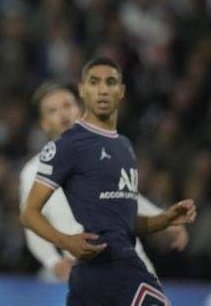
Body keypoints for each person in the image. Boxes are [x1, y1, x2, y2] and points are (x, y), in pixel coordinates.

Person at [21, 57, 196, 305]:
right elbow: (30, 219)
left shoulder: (115, 146)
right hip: (87, 268)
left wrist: (163, 218)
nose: (62, 114)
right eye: (52, 110)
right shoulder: (35, 170)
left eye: (67, 105)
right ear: (43, 123)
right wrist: (54, 260)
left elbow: (125, 198)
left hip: (127, 259)